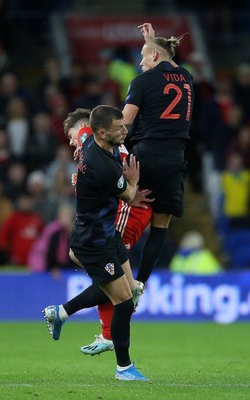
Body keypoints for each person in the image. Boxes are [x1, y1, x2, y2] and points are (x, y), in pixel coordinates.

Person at [42, 105, 150, 381]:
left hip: (105, 233)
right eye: (119, 129)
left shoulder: (92, 139)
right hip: (93, 242)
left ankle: (61, 312)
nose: (124, 130)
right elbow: (127, 195)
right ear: (102, 134)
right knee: (124, 302)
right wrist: (134, 182)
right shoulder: (100, 163)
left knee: (130, 290)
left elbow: (83, 129)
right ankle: (124, 369)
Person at [122, 22, 194, 284]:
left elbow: (126, 121)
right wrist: (155, 42)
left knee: (124, 207)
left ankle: (114, 272)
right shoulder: (186, 78)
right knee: (160, 227)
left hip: (145, 157)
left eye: (143, 56)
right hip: (174, 161)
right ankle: (141, 283)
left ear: (153, 56)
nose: (140, 63)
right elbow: (170, 65)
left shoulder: (142, 81)